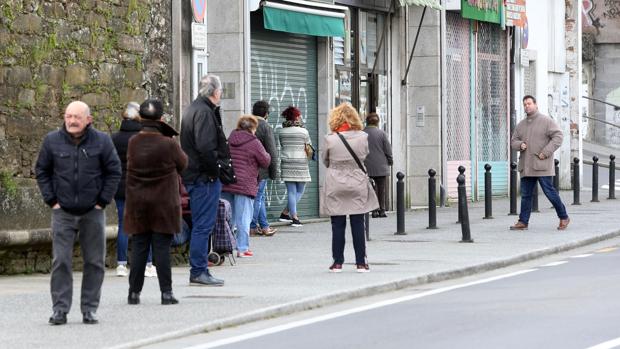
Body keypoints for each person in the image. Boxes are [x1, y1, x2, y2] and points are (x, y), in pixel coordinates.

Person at [35, 101, 122, 325]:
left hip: (92, 211)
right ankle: (60, 310)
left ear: (88, 120)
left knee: (94, 262)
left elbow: (114, 171)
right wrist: (51, 200)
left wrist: (102, 201)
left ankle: (89, 309)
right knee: (61, 261)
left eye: (77, 117)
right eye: (68, 116)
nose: (72, 121)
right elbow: (42, 171)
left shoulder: (102, 141)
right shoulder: (52, 141)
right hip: (62, 212)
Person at [123, 99, 188, 305]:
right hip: (163, 204)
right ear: (161, 119)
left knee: (140, 248)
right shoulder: (168, 144)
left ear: (140, 118)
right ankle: (166, 293)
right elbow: (184, 164)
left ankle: (134, 293)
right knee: (161, 249)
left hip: (138, 203)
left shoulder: (133, 142)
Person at [180, 74, 228, 286]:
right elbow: (206, 147)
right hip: (203, 177)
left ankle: (199, 270)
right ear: (216, 92)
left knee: (201, 224)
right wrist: (214, 172)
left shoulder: (192, 109)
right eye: (220, 91)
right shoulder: (204, 113)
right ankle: (199, 270)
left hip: (194, 175)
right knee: (203, 225)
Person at [321, 103, 379, 273]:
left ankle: (337, 262)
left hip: (336, 182)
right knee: (358, 222)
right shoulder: (363, 137)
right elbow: (364, 155)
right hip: (357, 181)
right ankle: (361, 262)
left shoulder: (330, 139)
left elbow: (325, 160)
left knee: (337, 224)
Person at [510, 95, 570, 231]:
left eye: (529, 103)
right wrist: (520, 145)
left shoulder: (546, 121)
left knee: (549, 192)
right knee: (526, 195)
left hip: (542, 165)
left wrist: (546, 152)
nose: (527, 106)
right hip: (526, 165)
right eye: (524, 104)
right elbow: (513, 141)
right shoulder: (521, 125)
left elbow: (558, 136)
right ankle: (523, 221)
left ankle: (564, 216)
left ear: (535, 105)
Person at [111, 102, 157, 278]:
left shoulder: (114, 139)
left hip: (120, 188)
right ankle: (147, 264)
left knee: (124, 225)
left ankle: (121, 265)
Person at [221, 115, 271, 257]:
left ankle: (225, 246)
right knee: (244, 217)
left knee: (227, 217)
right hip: (245, 184)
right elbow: (265, 161)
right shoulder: (254, 142)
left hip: (228, 182)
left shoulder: (230, 139)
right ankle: (242, 248)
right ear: (252, 128)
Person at [276, 106, 312, 227]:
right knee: (300, 190)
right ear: (296, 117)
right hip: (301, 162)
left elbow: (282, 145)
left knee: (291, 191)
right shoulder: (304, 131)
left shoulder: (281, 132)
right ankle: (294, 218)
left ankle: (286, 213)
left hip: (286, 162)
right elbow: (308, 146)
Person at [250, 100, 278, 237]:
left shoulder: (245, 124)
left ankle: (265, 226)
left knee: (259, 197)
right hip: (260, 170)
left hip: (245, 169)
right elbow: (271, 151)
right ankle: (252, 226)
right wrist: (274, 172)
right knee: (258, 197)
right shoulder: (265, 126)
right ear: (266, 113)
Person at [363, 112, 393, 218]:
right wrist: (390, 160)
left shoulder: (362, 134)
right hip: (381, 166)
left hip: (367, 166)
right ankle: (382, 210)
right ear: (378, 122)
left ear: (366, 121)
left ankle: (374, 210)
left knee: (370, 189)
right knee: (381, 188)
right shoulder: (382, 134)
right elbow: (388, 149)